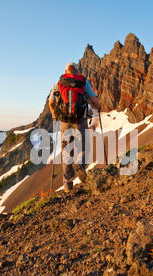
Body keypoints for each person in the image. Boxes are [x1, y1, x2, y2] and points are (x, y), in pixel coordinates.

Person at [48, 62, 103, 192]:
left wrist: (54, 115)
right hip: (80, 120)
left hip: (64, 122)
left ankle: (68, 184)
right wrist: (98, 108)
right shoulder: (83, 82)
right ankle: (80, 164)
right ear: (77, 71)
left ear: (66, 71)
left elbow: (51, 103)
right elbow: (94, 101)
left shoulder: (59, 83)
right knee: (83, 146)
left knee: (67, 150)